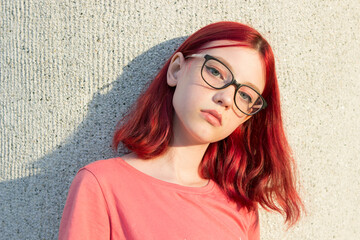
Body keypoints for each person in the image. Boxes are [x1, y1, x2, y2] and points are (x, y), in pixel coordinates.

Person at [59, 21, 303, 240]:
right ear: (176, 70)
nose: (227, 98)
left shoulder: (241, 207)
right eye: (216, 72)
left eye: (246, 95)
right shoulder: (102, 185)